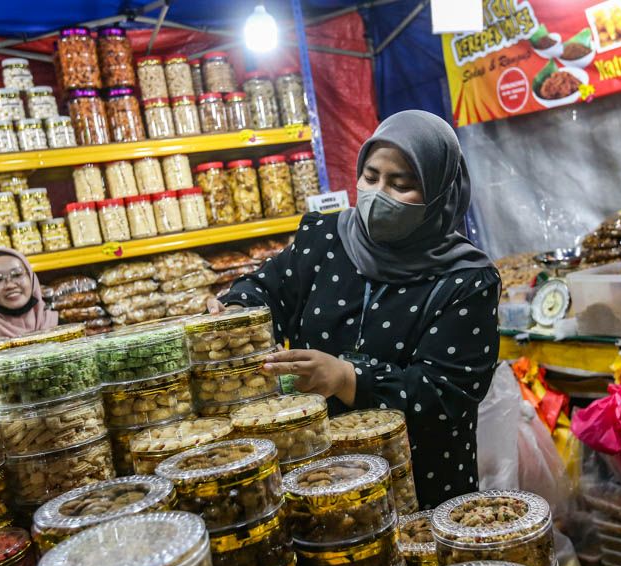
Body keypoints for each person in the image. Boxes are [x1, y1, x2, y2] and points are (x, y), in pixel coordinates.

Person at [213, 110, 501, 507]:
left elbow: (446, 395)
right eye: (370, 177)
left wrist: (349, 379)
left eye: (401, 184)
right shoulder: (325, 239)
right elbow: (265, 288)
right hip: (316, 473)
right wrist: (235, 314)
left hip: (421, 482)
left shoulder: (465, 281)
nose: (379, 193)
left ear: (440, 193)